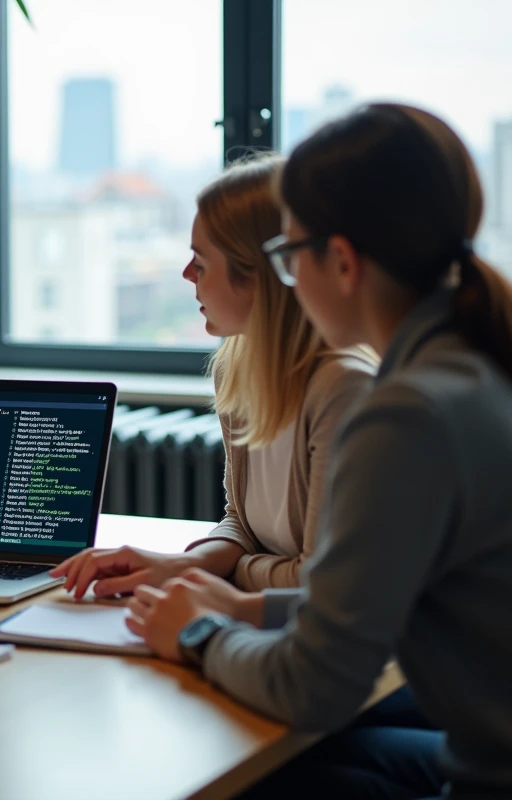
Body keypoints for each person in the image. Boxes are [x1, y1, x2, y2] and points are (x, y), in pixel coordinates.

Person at [127, 104, 512, 799]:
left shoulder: (406, 415)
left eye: (288, 255)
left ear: (341, 262)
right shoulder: (470, 364)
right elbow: (363, 604)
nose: (289, 281)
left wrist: (200, 634)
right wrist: (242, 609)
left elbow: (313, 687)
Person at [51, 156, 375, 604]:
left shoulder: (344, 390)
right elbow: (241, 522)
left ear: (259, 276)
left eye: (201, 262)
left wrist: (202, 571)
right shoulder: (236, 367)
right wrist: (183, 564)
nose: (187, 274)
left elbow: (319, 581)